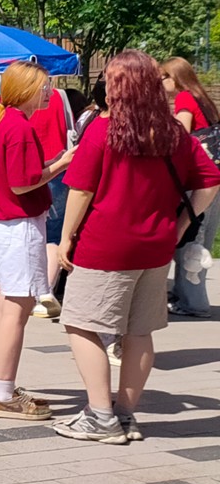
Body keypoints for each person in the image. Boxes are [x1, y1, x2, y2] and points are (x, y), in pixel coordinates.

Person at [56, 51, 220, 444]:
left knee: (81, 324)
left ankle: (100, 415)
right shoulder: (173, 132)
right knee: (139, 331)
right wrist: (182, 226)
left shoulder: (104, 129)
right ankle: (126, 415)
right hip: (156, 246)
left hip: (105, 244)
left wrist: (65, 237)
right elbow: (210, 179)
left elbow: (81, 189)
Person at [0, 63, 73, 421]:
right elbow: (22, 181)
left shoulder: (2, 120)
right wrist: (63, 163)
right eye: (43, 87)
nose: (48, 93)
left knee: (5, 307)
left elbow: (15, 170)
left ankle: (1, 386)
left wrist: (50, 162)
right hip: (18, 224)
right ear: (25, 90)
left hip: (6, 223)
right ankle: (3, 393)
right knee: (16, 310)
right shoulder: (18, 125)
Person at [161, 57, 219, 316]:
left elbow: (181, 134)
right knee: (202, 241)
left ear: (175, 77)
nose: (160, 82)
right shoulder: (204, 99)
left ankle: (193, 303)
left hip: (197, 179)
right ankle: (189, 295)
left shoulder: (185, 98)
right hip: (214, 177)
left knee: (190, 239)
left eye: (163, 77)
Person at [32, 79, 74, 317]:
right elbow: (70, 127)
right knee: (54, 235)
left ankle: (27, 289)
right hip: (59, 164)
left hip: (31, 168)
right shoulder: (59, 95)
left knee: (31, 231)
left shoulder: (10, 100)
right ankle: (47, 290)